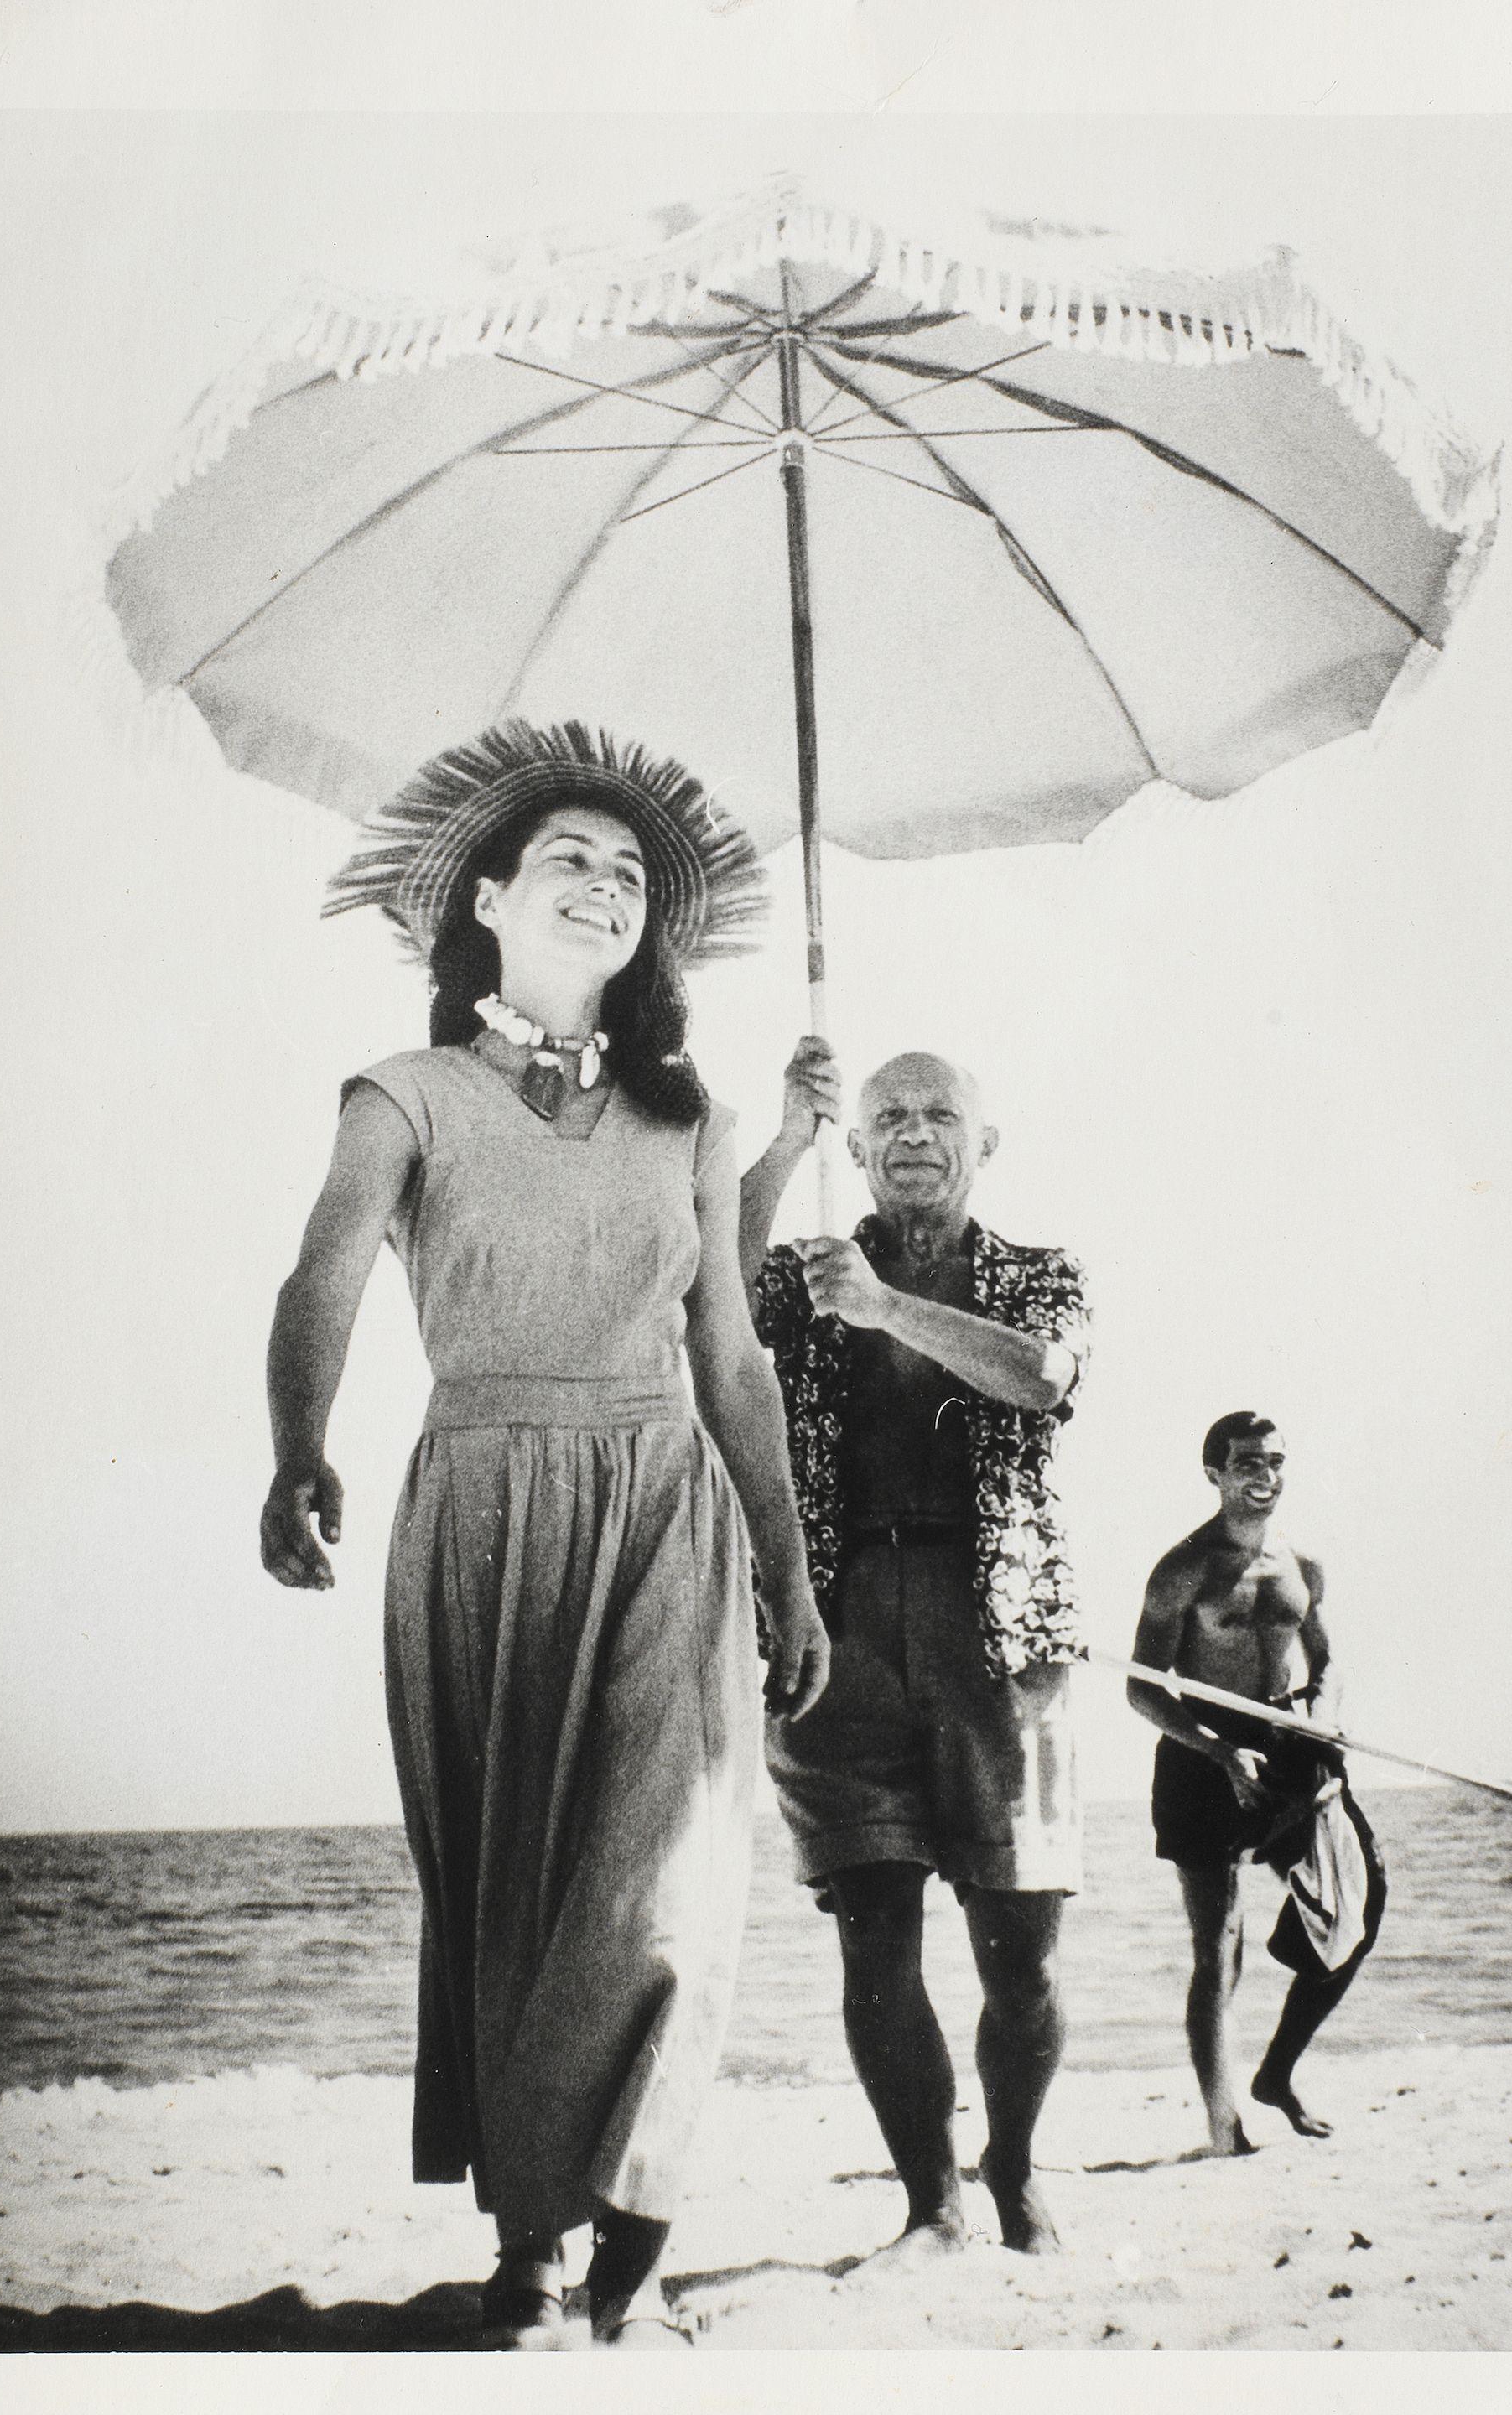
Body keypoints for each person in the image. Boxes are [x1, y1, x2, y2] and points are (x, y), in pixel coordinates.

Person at [260, 721, 829, 2350]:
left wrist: (788, 1571)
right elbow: (323, 1274)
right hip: (483, 1508)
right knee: (514, 1893)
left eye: (629, 870)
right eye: (567, 857)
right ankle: (534, 2252)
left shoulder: (692, 1121)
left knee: (666, 1886)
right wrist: (296, 1446)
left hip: (662, 1508)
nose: (603, 881)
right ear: (490, 901)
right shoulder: (405, 1094)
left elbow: (732, 1361)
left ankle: (626, 2247)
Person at [740, 1036, 1089, 2260]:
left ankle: (1014, 2168)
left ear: (981, 1142)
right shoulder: (808, 1275)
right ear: (856, 1145)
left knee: (1020, 1950)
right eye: (885, 1117)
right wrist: (782, 1140)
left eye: (938, 1115)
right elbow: (701, 1283)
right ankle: (929, 2202)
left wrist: (884, 1308)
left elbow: (1039, 1377)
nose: (911, 1135)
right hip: (835, 1626)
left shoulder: (1039, 1273)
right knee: (874, 1933)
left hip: (999, 1631)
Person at [1127, 1412, 1386, 2155]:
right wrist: (1218, 1751)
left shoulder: (1302, 1565)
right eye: (1247, 1463)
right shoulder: (1182, 1570)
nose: (1264, 1476)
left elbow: (1326, 1662)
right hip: (1202, 1757)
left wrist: (1323, 1719)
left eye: (1274, 1461)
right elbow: (1142, 1688)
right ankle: (1223, 2126)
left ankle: (1275, 2074)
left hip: (1289, 1743)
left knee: (1357, 1908)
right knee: (1219, 1948)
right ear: (1214, 1473)